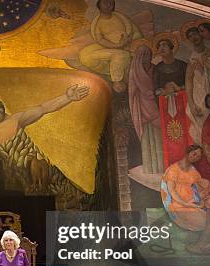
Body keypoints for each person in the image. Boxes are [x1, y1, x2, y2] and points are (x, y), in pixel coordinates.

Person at [78, 0, 143, 92]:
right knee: (84, 54)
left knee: (121, 55)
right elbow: (100, 39)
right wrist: (115, 45)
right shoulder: (98, 22)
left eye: (110, 3)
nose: (108, 5)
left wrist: (126, 42)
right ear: (99, 5)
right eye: (104, 3)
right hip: (109, 47)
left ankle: (117, 81)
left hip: (126, 47)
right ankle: (111, 72)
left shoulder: (120, 17)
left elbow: (134, 33)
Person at [152, 36, 190, 167]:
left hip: (183, 103)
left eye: (164, 45)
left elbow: (190, 84)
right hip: (166, 105)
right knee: (170, 134)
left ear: (172, 48)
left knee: (186, 133)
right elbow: (155, 90)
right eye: (159, 46)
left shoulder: (182, 65)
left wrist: (177, 88)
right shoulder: (157, 69)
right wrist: (164, 91)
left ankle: (189, 162)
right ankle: (172, 164)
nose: (162, 48)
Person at [128, 43, 163, 174]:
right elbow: (132, 93)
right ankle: (150, 168)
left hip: (155, 105)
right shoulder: (134, 72)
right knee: (147, 138)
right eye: (143, 55)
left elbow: (158, 85)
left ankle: (162, 167)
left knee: (159, 137)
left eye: (148, 55)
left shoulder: (155, 69)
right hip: (142, 109)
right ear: (138, 57)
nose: (146, 58)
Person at [161, 145, 210, 231]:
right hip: (179, 205)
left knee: (209, 220)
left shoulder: (193, 171)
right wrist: (185, 203)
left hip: (192, 202)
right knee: (203, 223)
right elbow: (172, 191)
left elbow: (198, 188)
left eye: (198, 157)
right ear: (188, 152)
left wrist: (200, 200)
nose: (196, 157)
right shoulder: (173, 169)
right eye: (194, 154)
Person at [183, 23, 210, 143]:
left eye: (195, 33)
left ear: (201, 34)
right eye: (190, 36)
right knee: (200, 119)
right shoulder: (192, 58)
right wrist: (191, 103)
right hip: (199, 93)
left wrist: (203, 70)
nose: (194, 37)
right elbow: (188, 81)